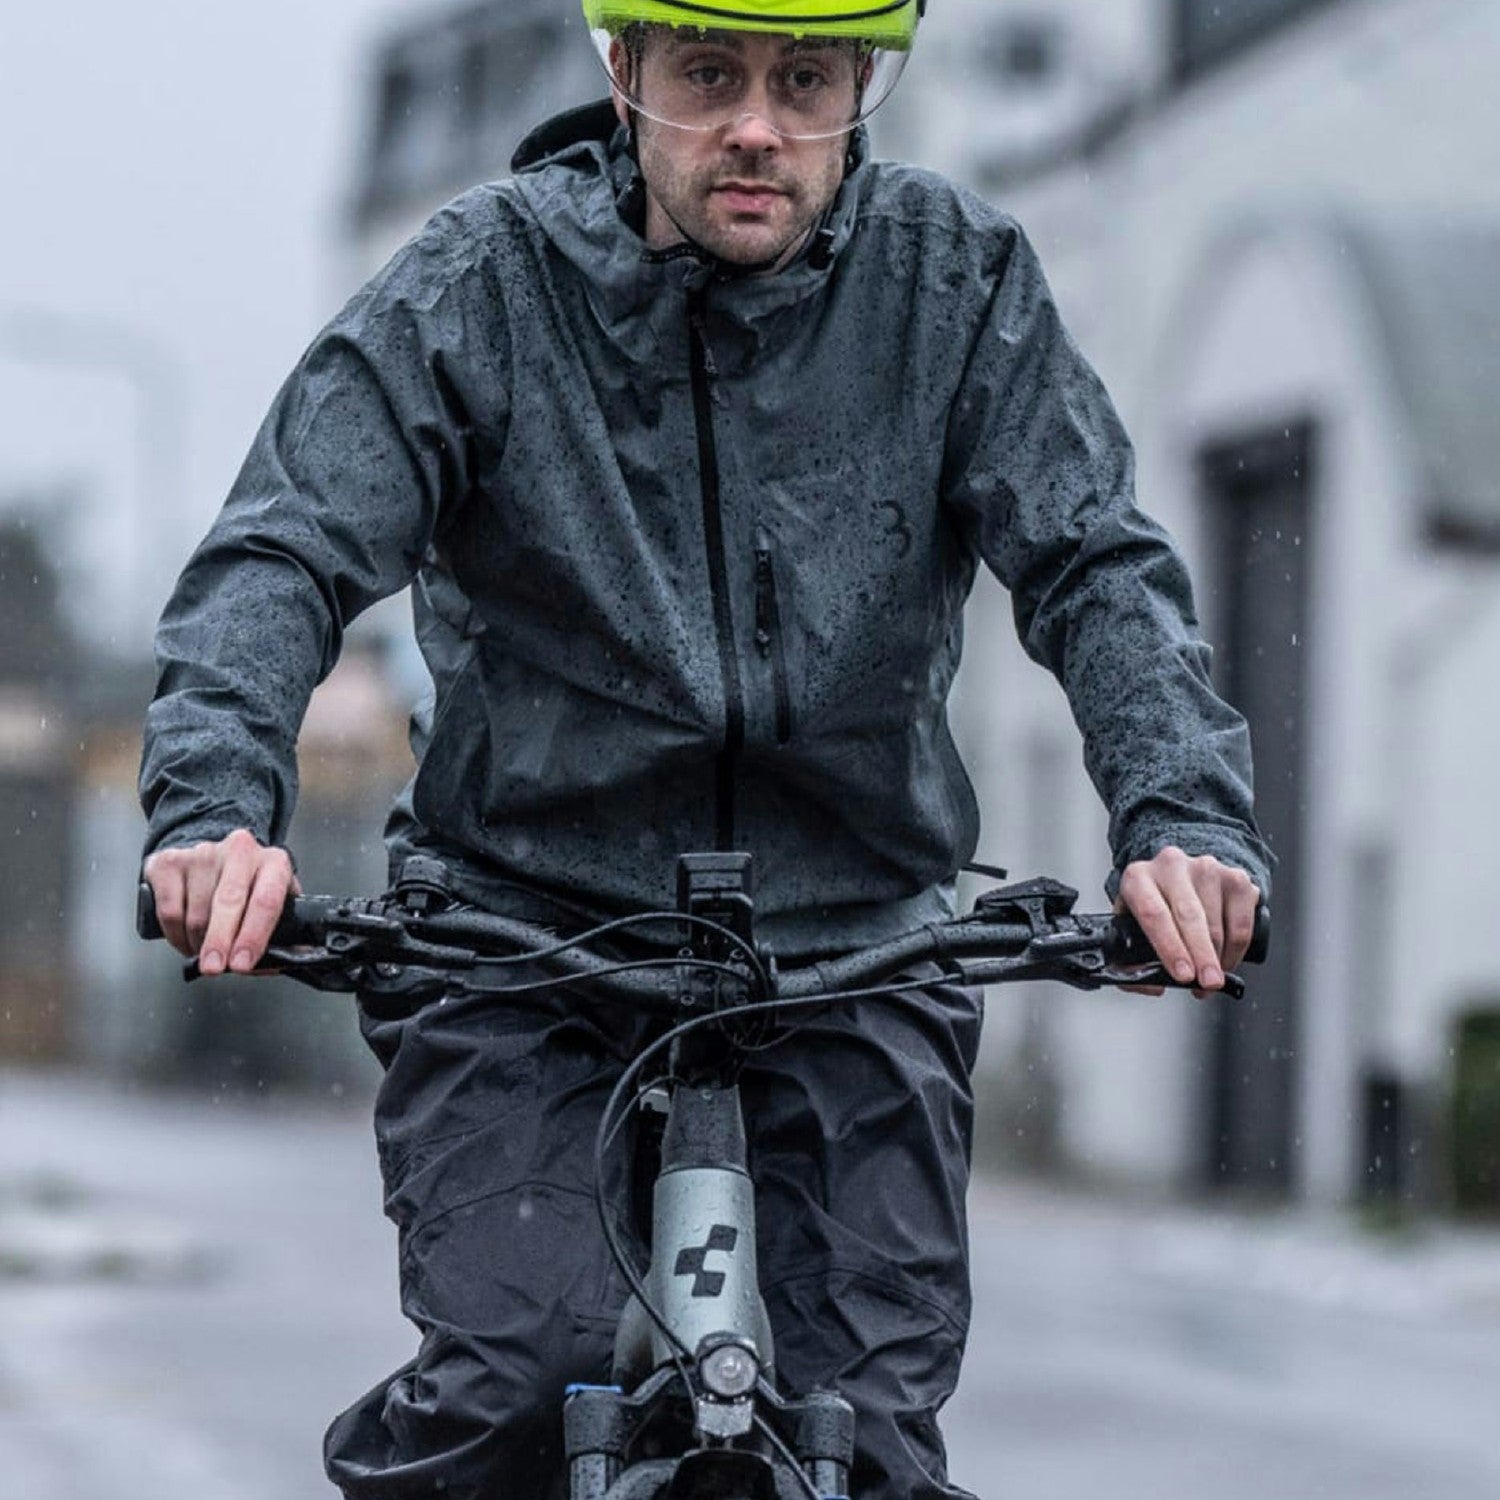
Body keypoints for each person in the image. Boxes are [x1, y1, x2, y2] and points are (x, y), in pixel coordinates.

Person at [139, 1, 1270, 1494]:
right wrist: (215, 809)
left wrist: (1182, 818)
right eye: (707, 74)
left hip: (856, 945)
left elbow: (1095, 562)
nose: (756, 127)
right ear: (623, 74)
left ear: (863, 88)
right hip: (523, 935)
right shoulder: (483, 283)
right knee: (512, 1385)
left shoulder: (954, 281)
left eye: (804, 82)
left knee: (870, 1441)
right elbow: (282, 551)